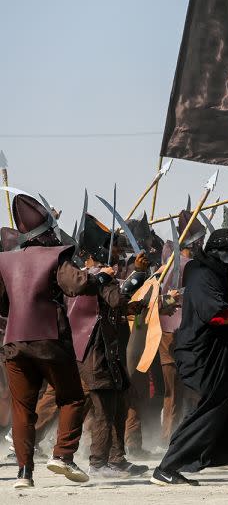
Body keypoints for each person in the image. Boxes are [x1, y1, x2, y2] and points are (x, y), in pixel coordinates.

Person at [0, 194, 112, 488]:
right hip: (49, 339)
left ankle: (24, 473)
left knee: (22, 409)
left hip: (13, 341)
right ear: (48, 231)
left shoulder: (4, 259)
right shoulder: (55, 255)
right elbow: (77, 285)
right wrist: (98, 278)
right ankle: (62, 456)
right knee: (73, 397)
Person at [150, 221, 228, 486]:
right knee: (210, 409)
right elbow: (217, 315)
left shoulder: (223, 275)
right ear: (222, 251)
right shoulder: (202, 275)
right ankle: (167, 466)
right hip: (205, 355)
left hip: (227, 355)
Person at [69, 213, 150, 478]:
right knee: (103, 410)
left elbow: (115, 305)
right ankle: (98, 463)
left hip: (108, 352)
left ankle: (116, 460)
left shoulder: (101, 276)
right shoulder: (96, 275)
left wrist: (132, 305)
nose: (118, 251)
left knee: (117, 407)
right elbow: (114, 299)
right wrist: (138, 274)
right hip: (96, 353)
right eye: (113, 246)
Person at [157, 209, 206, 445]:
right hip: (181, 334)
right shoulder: (190, 266)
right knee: (189, 391)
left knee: (173, 394)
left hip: (168, 334)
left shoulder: (167, 265)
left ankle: (172, 439)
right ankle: (181, 440)